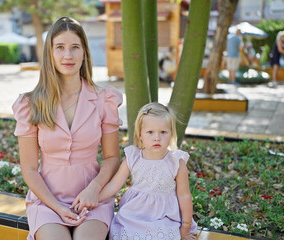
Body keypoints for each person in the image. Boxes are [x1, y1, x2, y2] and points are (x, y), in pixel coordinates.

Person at [12, 17, 122, 240]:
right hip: (47, 201)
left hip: (93, 199)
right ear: (50, 53)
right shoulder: (30, 104)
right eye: (60, 47)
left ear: (84, 53)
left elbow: (112, 157)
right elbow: (30, 169)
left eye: (75, 47)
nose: (68, 55)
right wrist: (57, 207)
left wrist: (94, 189)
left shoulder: (105, 100)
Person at [95, 102, 198, 240]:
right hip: (134, 214)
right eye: (150, 132)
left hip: (164, 215)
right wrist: (94, 200)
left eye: (163, 132)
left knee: (163, 235)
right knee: (127, 234)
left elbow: (184, 196)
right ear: (140, 134)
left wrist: (185, 227)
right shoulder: (133, 157)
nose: (157, 137)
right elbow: (114, 185)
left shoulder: (176, 162)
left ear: (171, 133)